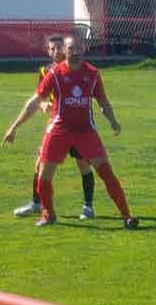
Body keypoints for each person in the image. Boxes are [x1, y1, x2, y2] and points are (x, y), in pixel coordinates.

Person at [2, 36, 138, 228]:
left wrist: (113, 120)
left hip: (85, 131)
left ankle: (127, 216)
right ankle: (48, 214)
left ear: (84, 49)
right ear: (64, 51)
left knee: (106, 172)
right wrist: (14, 127)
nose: (75, 52)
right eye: (71, 48)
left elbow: (103, 101)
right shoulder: (55, 73)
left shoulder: (92, 73)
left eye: (78, 48)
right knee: (43, 176)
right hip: (60, 129)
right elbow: (35, 102)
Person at [13, 35, 97, 220]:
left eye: (59, 47)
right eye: (52, 48)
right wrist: (44, 106)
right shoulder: (46, 71)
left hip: (78, 127)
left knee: (83, 164)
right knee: (39, 165)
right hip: (56, 126)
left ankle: (88, 207)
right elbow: (40, 98)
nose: (56, 51)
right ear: (48, 51)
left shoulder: (79, 68)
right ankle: (36, 203)